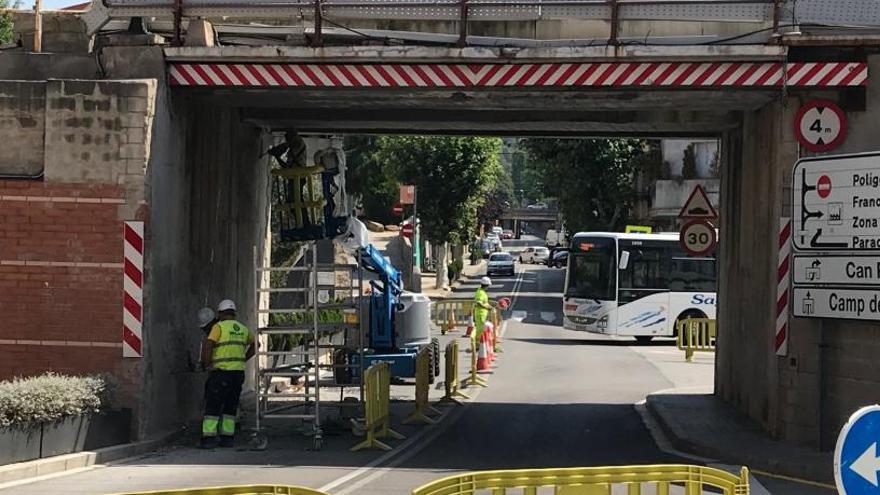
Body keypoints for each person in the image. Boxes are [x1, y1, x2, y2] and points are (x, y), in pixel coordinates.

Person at [199, 299, 255, 449]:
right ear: (234, 313)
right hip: (237, 374)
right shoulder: (242, 328)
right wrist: (243, 358)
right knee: (230, 406)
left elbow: (208, 344)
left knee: (213, 406)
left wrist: (206, 362)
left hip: (221, 373)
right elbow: (256, 344)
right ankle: (227, 438)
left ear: (220, 313)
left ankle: (209, 439)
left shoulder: (218, 327)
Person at [472, 277, 492, 346]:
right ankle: (478, 345)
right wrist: (487, 307)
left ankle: (480, 344)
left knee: (481, 329)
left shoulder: (481, 291)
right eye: (488, 286)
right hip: (480, 314)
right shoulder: (481, 293)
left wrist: (489, 306)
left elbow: (484, 302)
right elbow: (479, 303)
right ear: (486, 285)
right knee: (480, 330)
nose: (488, 287)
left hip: (482, 314)